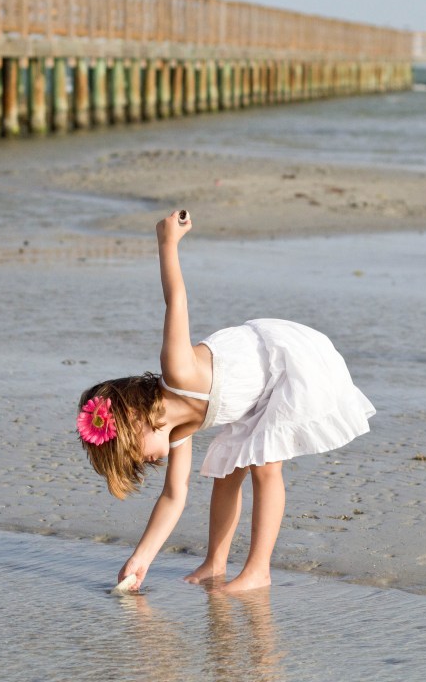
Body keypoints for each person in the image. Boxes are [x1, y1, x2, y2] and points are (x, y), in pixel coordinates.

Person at [77, 210, 375, 594]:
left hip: (285, 361)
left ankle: (258, 570)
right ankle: (215, 563)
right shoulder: (179, 431)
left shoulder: (177, 373)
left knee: (264, 464)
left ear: (135, 418)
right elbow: (173, 496)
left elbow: (176, 301)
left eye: (136, 454)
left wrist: (167, 242)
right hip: (250, 401)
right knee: (226, 470)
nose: (146, 461)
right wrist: (141, 558)